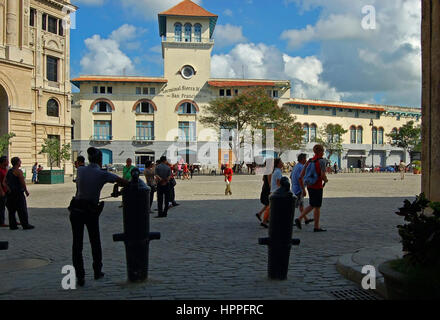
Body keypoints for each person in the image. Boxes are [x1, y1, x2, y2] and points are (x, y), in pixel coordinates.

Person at [68, 147, 128, 287]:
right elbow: (123, 181)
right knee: (95, 241)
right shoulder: (102, 173)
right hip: (90, 211)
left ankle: (80, 276)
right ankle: (97, 271)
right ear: (101, 160)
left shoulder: (81, 170)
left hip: (76, 209)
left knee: (77, 244)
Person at [298, 144, 328, 232]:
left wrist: (303, 187)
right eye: (323, 151)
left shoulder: (310, 161)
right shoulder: (322, 161)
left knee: (312, 204)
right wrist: (325, 180)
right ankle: (316, 226)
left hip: (310, 185)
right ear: (320, 151)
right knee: (317, 206)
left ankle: (300, 218)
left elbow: (301, 175)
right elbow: (322, 175)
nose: (323, 153)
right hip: (317, 185)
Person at [5, 157, 34, 230]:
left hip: (10, 193)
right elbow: (22, 182)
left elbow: (4, 181)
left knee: (11, 210)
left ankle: (13, 225)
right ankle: (25, 224)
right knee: (22, 209)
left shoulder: (9, 171)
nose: (20, 162)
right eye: (20, 161)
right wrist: (26, 191)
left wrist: (8, 188)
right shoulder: (18, 171)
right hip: (18, 193)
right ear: (17, 163)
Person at [292, 154, 313, 229]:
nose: (306, 160)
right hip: (298, 189)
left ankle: (305, 219)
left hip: (295, 188)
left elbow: (291, 176)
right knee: (293, 206)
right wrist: (303, 189)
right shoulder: (301, 167)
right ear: (302, 159)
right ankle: (291, 220)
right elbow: (300, 178)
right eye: (305, 159)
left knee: (301, 205)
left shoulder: (296, 166)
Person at [0, 156, 9, 227]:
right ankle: (1, 222)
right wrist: (1, 191)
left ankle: (13, 220)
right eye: (7, 161)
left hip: (6, 190)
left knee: (11, 206)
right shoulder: (0, 170)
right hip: (2, 191)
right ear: (3, 162)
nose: (8, 162)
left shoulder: (5, 169)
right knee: (2, 207)